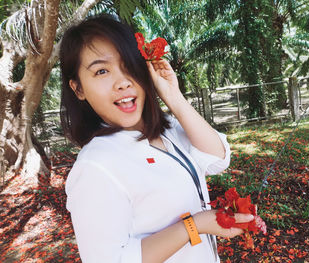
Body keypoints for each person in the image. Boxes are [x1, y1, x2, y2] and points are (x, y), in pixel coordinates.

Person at [60, 14, 254, 263]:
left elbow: (218, 159)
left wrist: (173, 97)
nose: (123, 82)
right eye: (101, 71)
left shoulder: (169, 129)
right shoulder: (96, 167)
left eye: (128, 65)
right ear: (78, 89)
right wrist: (194, 226)